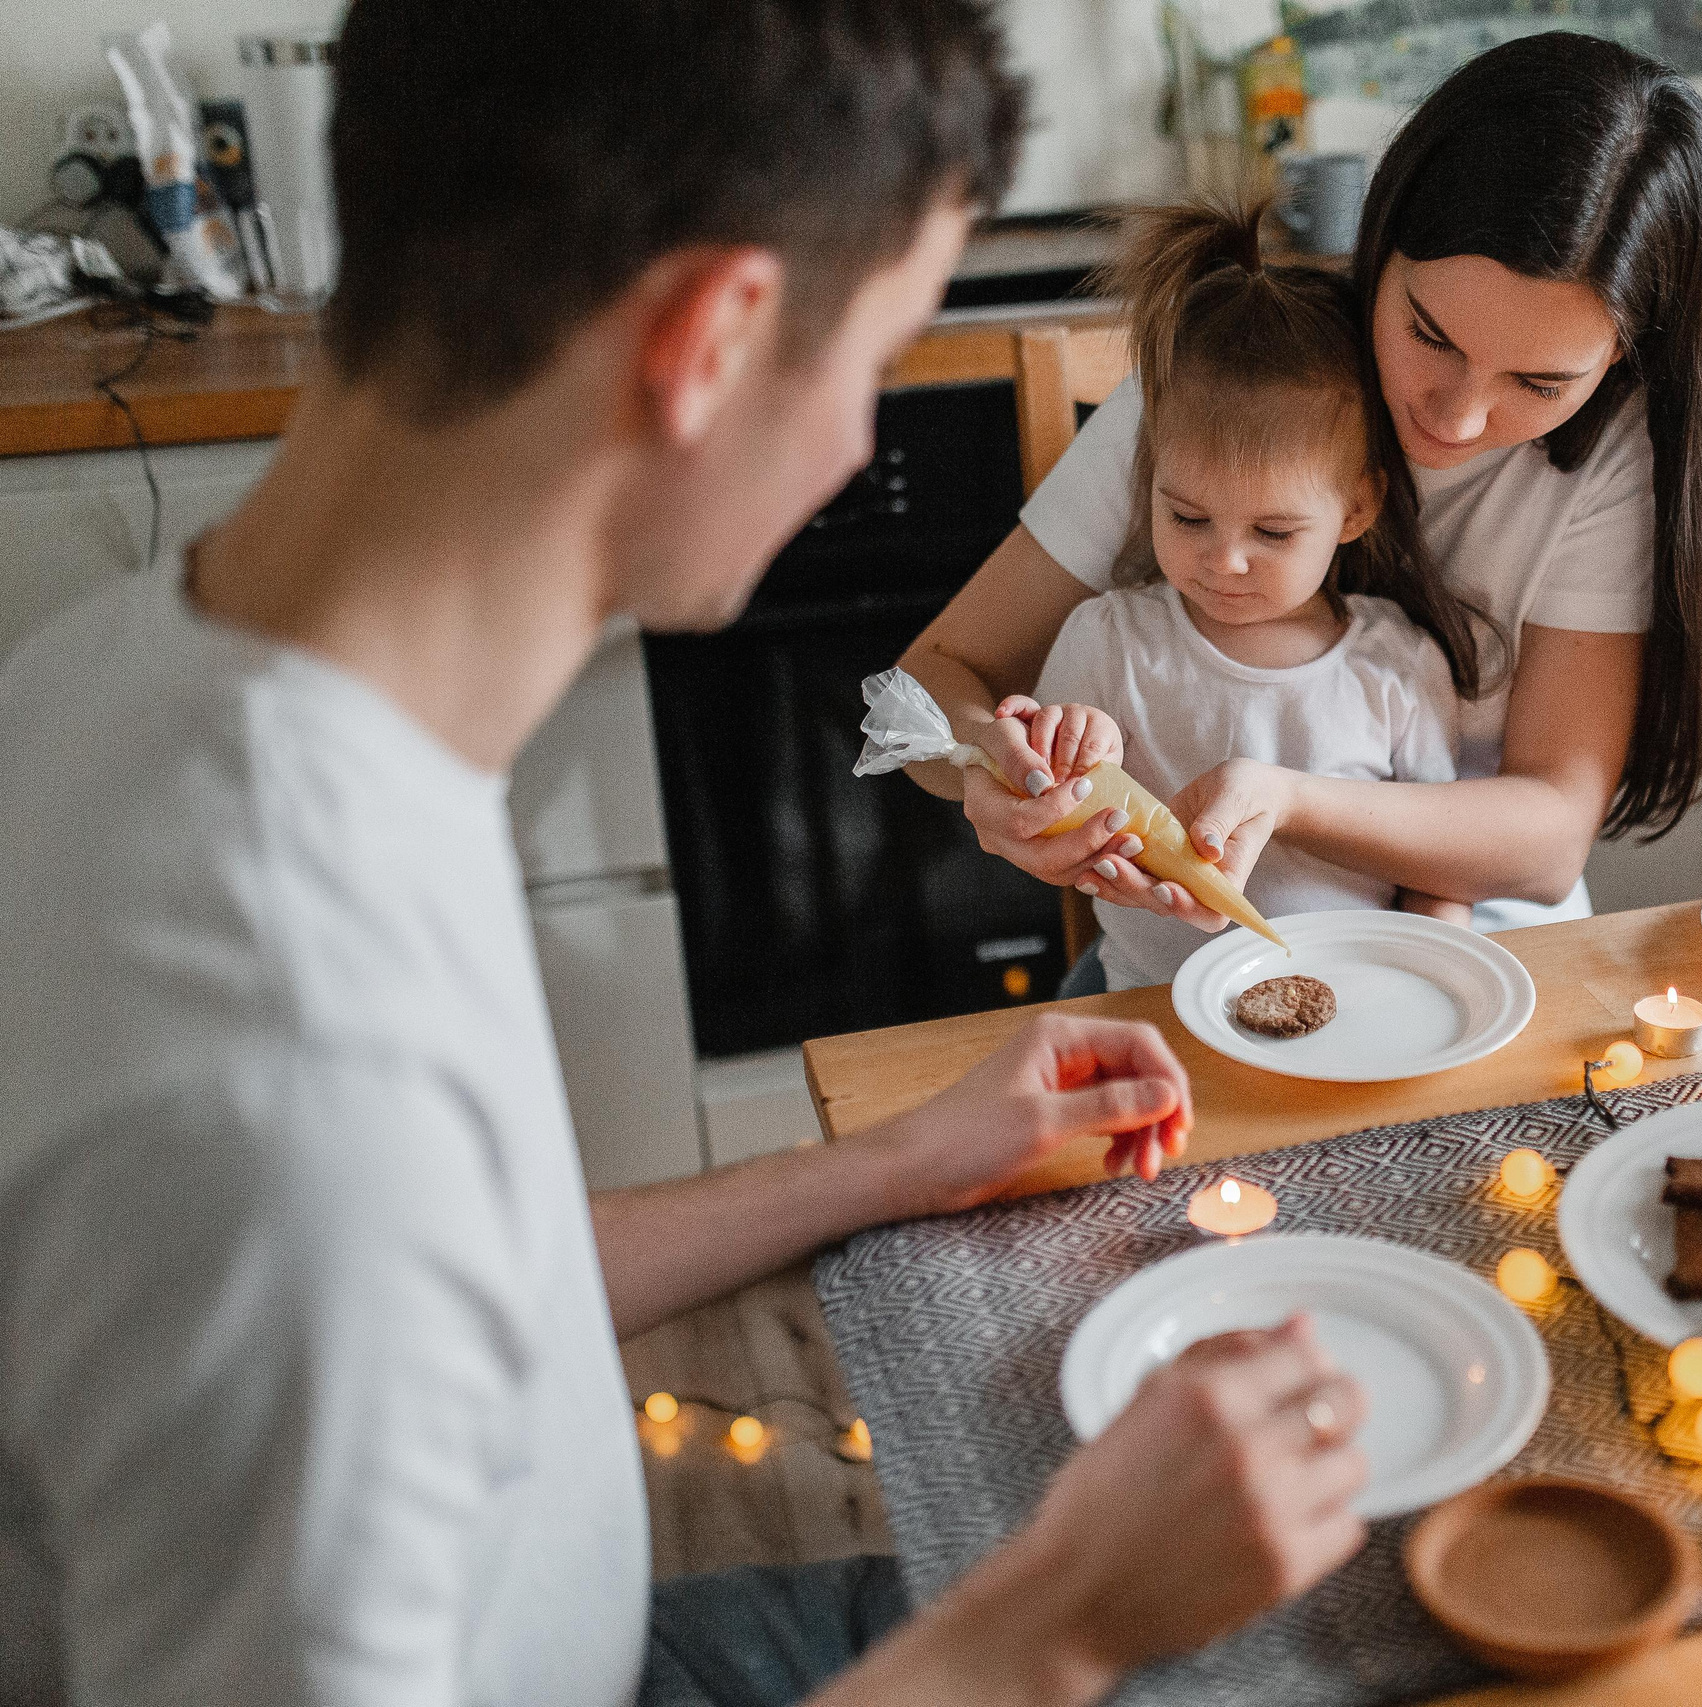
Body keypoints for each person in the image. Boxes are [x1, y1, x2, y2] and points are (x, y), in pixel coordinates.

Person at [0, 4, 1367, 1705]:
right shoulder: (285, 1070)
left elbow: (455, 1277)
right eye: (868, 361)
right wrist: (1060, 1620)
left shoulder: (140, 666)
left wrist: (895, 1161)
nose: (860, 441)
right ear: (709, 339)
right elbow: (337, 1217)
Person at [903, 31, 1702, 951]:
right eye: (1430, 335)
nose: (1457, 420)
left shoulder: (1611, 459)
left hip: (1489, 953)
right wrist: (990, 767)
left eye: (1538, 385)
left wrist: (1287, 798)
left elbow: (1547, 840)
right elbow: (932, 682)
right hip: (1176, 968)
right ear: (1381, 238)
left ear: (1622, 357)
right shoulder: (1232, 381)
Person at [1002, 198, 1471, 994]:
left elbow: (1441, 874)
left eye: (1275, 533)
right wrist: (1057, 758)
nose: (1224, 559)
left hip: (1350, 1014)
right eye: (1187, 516)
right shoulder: (1109, 640)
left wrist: (1421, 982)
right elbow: (1039, 804)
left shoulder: (1398, 664)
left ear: (1356, 509)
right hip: (1149, 1016)